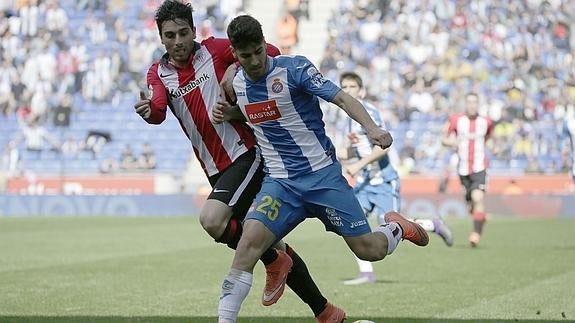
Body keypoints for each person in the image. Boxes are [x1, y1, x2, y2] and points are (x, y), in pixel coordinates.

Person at [132, 1, 344, 322]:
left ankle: (275, 261)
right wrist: (150, 111)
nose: (177, 41)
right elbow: (159, 108)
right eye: (170, 35)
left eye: (183, 33)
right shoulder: (158, 72)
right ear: (161, 38)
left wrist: (234, 68)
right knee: (266, 241)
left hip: (245, 154)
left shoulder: (216, 50)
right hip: (216, 170)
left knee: (213, 220)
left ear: (194, 30)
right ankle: (326, 311)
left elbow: (267, 51)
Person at [212, 15, 429, 322]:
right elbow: (257, 114)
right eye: (245, 55)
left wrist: (371, 128)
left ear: (265, 45)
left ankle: (395, 227)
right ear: (235, 53)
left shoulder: (295, 69)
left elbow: (340, 97)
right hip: (281, 184)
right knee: (247, 244)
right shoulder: (236, 83)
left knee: (369, 250)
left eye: (259, 51)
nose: (255, 60)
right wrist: (231, 112)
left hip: (323, 177)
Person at [338, 71, 453, 285]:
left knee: (390, 227)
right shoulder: (347, 121)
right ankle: (366, 273)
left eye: (352, 87)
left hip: (383, 181)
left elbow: (383, 147)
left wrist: (358, 165)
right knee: (351, 224)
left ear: (361, 90)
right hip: (364, 183)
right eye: (343, 87)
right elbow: (355, 151)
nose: (347, 91)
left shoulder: (369, 112)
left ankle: (431, 224)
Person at [442, 92, 494, 247]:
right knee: (471, 206)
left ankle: (476, 234)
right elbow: (444, 139)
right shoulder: (456, 120)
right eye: (469, 102)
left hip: (479, 166)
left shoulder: (486, 122)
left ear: (478, 104)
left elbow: (489, 138)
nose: (472, 105)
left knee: (478, 197)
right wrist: (451, 143)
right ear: (465, 104)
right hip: (463, 168)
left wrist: (493, 147)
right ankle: (480, 217)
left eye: (474, 102)